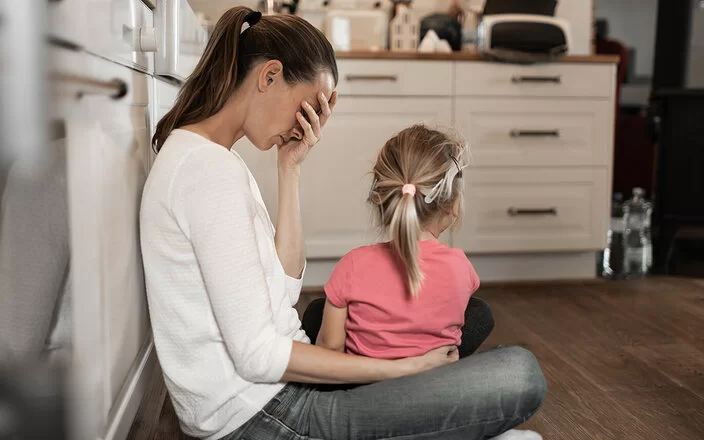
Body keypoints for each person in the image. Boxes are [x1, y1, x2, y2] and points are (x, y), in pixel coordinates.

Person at [140, 6, 546, 440]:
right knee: (520, 374)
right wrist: (402, 368)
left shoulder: (217, 160)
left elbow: (284, 289)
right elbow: (257, 356)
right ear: (270, 76)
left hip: (278, 390)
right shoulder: (207, 172)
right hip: (270, 416)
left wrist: (290, 169)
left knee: (464, 316)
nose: (305, 125)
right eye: (307, 107)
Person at [315, 125, 482, 359]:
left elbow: (330, 349)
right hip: (438, 386)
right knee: (480, 312)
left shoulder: (353, 264)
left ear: (380, 198)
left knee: (317, 311)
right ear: (451, 204)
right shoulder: (460, 266)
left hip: (364, 387)